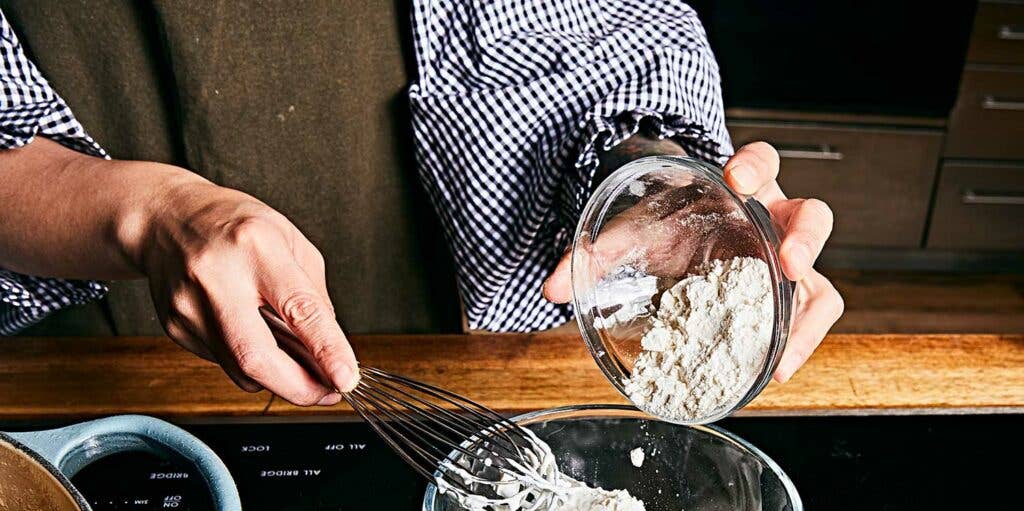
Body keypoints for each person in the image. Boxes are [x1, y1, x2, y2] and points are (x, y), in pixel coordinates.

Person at [0, 3, 841, 406]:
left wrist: (657, 179)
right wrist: (146, 214)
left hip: (438, 302)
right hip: (97, 338)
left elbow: (607, 40)